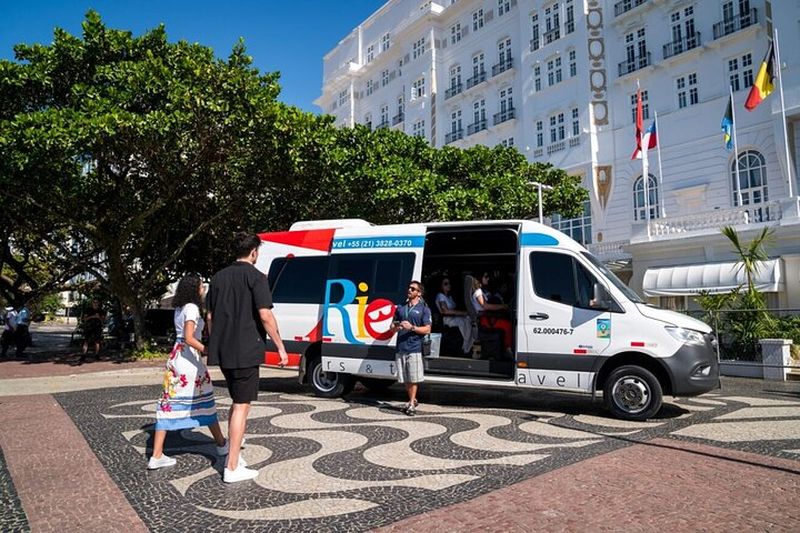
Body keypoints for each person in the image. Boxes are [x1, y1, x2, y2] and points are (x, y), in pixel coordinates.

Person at [206, 232, 288, 483]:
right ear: (253, 252)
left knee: (236, 402)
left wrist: (215, 343)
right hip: (246, 350)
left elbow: (209, 317)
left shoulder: (217, 278)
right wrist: (280, 347)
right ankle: (232, 466)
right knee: (242, 406)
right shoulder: (256, 277)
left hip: (224, 350)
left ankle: (234, 455)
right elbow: (265, 315)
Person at [149, 274, 229, 470]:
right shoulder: (192, 308)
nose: (203, 290)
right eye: (201, 286)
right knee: (206, 403)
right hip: (189, 360)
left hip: (176, 358)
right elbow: (189, 337)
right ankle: (221, 444)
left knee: (168, 404)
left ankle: (156, 455)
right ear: (194, 289)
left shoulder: (179, 308)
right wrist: (207, 350)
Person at [390, 280, 432, 416]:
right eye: (409, 288)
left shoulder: (424, 309)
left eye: (413, 289)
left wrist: (412, 327)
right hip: (401, 346)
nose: (409, 290)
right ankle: (412, 400)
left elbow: (427, 329)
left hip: (415, 347)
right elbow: (391, 327)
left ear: (419, 293)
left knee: (413, 378)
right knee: (405, 378)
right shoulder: (400, 307)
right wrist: (396, 327)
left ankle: (412, 404)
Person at [471, 273, 513, 353]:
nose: (488, 279)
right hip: (485, 319)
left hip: (488, 317)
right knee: (508, 325)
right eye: (486, 277)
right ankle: (508, 349)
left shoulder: (482, 291)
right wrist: (503, 306)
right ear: (480, 278)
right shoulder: (478, 292)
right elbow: (485, 306)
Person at [434, 277, 473, 355]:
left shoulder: (449, 297)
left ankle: (468, 345)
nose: (448, 285)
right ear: (441, 286)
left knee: (468, 319)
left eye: (449, 283)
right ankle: (465, 347)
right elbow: (445, 311)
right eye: (445, 284)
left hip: (454, 317)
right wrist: (463, 313)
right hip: (447, 319)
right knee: (464, 321)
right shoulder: (440, 296)